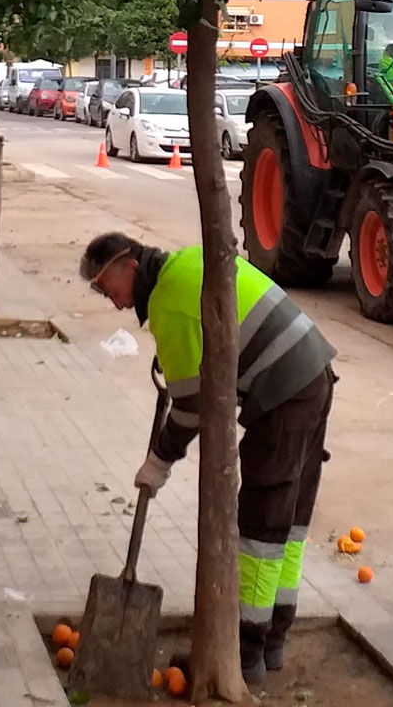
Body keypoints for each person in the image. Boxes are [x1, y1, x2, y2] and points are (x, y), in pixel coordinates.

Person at [81, 233, 336, 682]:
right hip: (313, 372)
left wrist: (159, 461)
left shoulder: (168, 305)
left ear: (131, 266)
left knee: (262, 524)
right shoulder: (188, 262)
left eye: (108, 287)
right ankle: (272, 642)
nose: (113, 302)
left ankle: (242, 654)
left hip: (284, 392)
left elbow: (191, 408)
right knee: (288, 521)